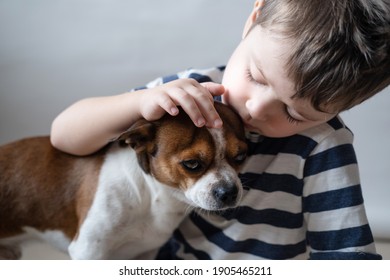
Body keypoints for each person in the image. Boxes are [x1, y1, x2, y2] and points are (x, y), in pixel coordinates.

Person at [50, 0, 389, 259]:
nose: (255, 108)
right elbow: (64, 137)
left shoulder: (324, 145)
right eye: (255, 76)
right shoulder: (180, 95)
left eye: (291, 111)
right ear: (254, 17)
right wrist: (136, 104)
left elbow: (346, 255)